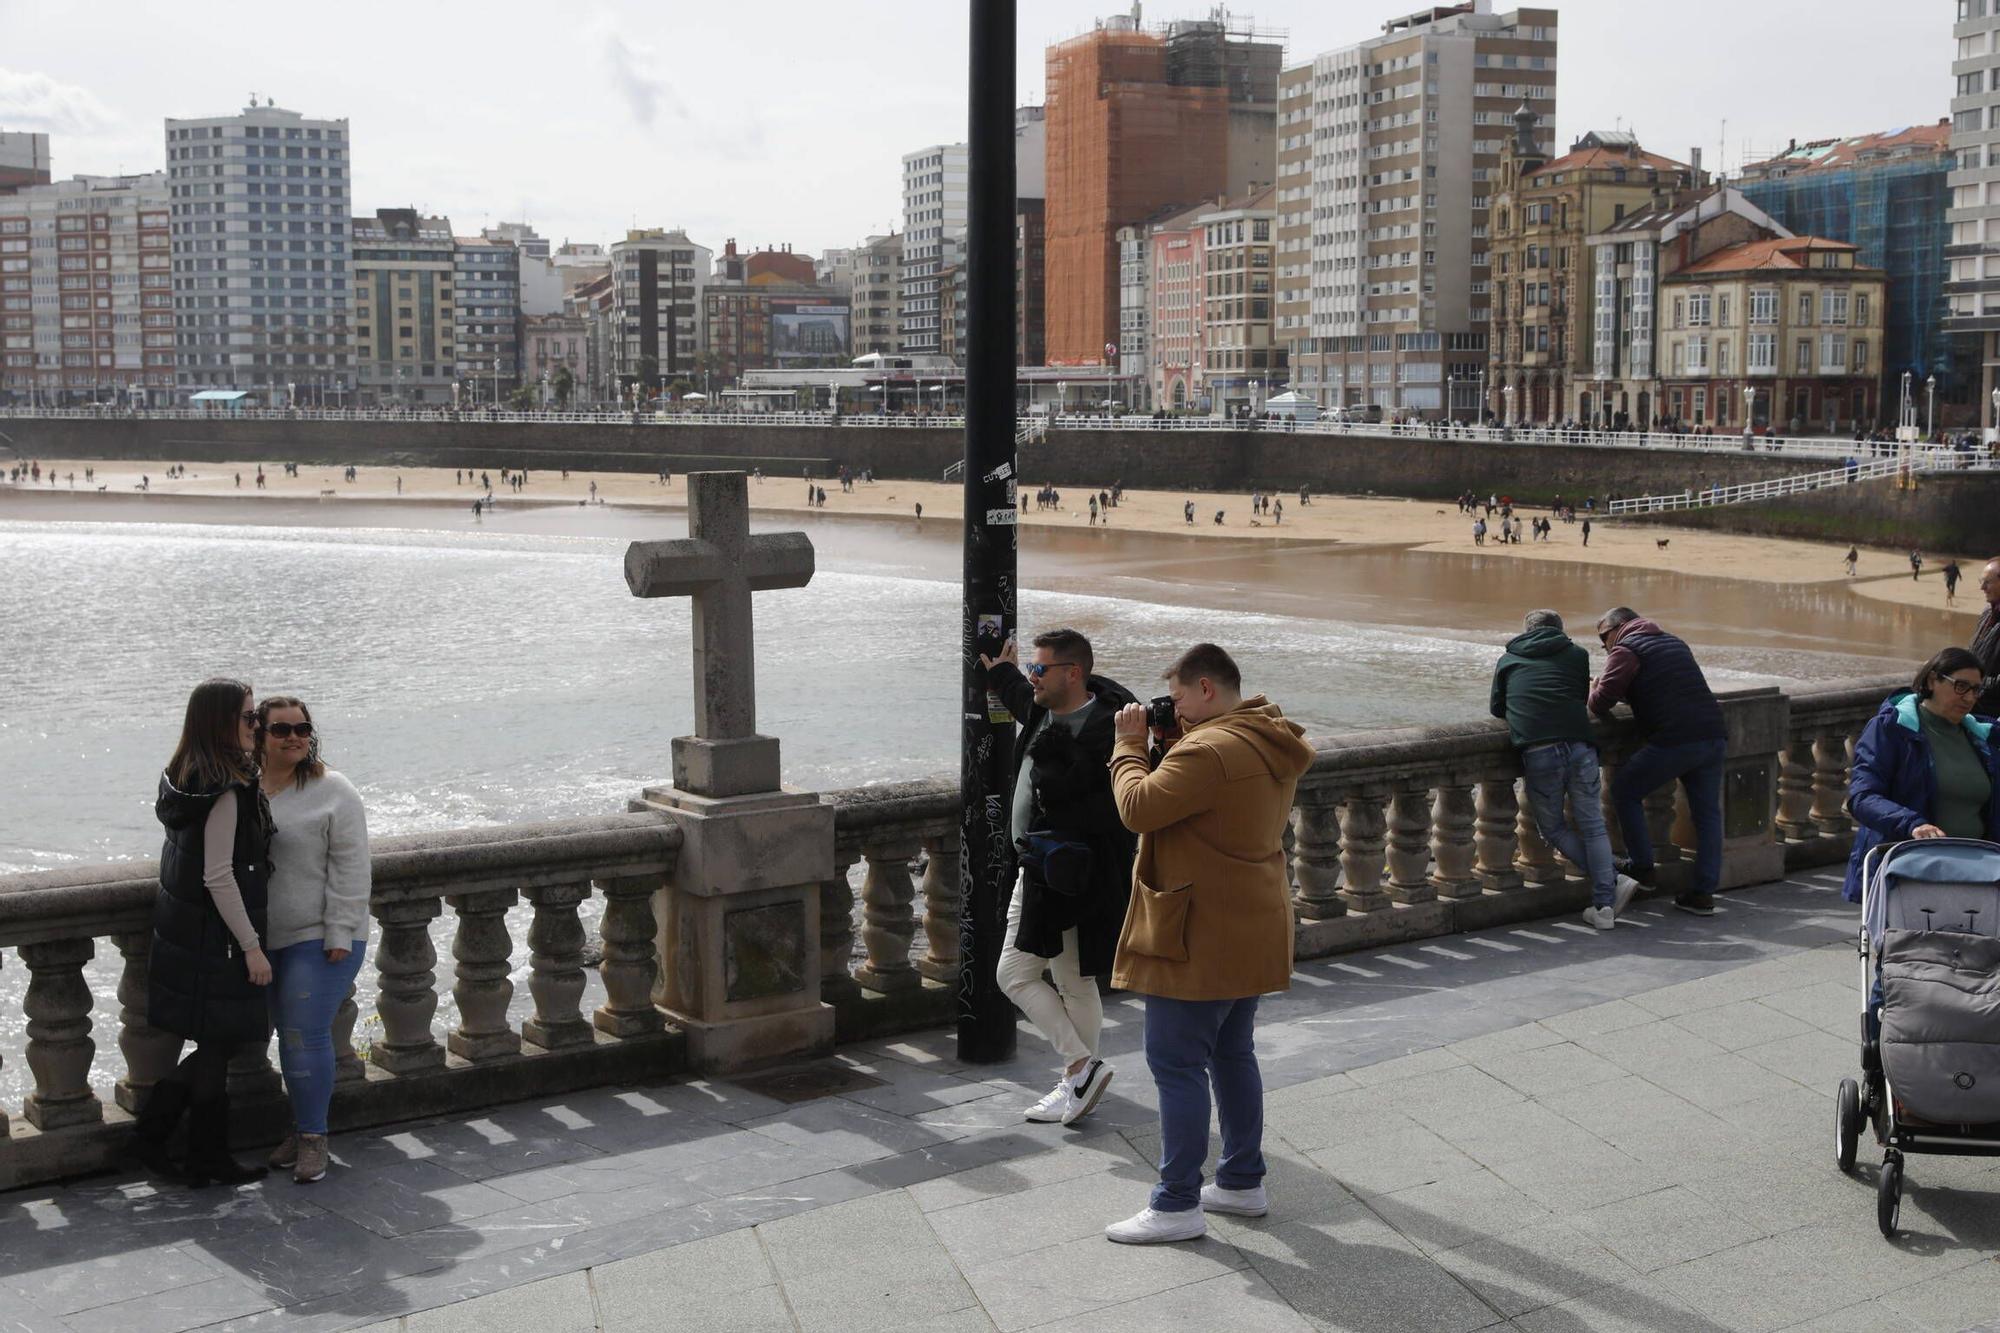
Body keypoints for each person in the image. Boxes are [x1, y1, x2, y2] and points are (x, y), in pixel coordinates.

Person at [1102, 644, 1314, 1244]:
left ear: (1204, 688)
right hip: (1253, 921)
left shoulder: (1210, 749)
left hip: (1200, 932)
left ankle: (1176, 1204)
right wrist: (1169, 743)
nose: (1177, 711)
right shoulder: (1268, 736)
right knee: (1231, 1053)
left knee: (1176, 1064)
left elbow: (1138, 808)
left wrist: (1129, 748)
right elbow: (1206, 808)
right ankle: (1243, 1180)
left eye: (1178, 698)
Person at [978, 630, 1137, 1126]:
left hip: (1069, 872)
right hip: (1045, 867)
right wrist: (1001, 673)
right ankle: (1080, 1085)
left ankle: (1079, 1066)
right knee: (1072, 979)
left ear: (1073, 673)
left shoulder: (1109, 731)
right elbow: (1025, 698)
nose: (1032, 677)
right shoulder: (1046, 709)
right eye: (1031, 668)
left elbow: (1117, 807)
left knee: (1013, 974)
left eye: (1040, 668)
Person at [132, 679, 274, 1187]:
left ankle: (200, 1154)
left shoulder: (183, 775)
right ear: (220, 723)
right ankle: (159, 1138)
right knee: (220, 1043)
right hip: (216, 939)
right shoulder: (224, 790)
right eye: (248, 718)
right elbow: (219, 875)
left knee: (217, 1044)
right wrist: (252, 947)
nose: (256, 726)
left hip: (185, 931)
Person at [257, 697, 371, 1185]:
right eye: (280, 729)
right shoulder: (243, 789)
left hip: (323, 936)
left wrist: (341, 929)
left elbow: (351, 865)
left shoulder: (333, 789)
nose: (294, 737)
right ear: (258, 734)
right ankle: (300, 1124)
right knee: (286, 1036)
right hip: (264, 940)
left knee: (305, 1033)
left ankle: (313, 1140)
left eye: (302, 728)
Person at [1491, 612, 1640, 929]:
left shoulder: (1509, 659)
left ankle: (1612, 883)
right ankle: (1604, 905)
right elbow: (1578, 695)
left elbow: (1496, 707)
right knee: (1594, 827)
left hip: (1539, 750)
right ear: (1560, 631)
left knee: (1553, 828)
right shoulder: (1577, 655)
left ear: (1526, 631)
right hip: (1581, 746)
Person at [1589, 608, 1728, 915]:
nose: (1604, 646)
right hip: (1714, 734)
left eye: (1603, 637)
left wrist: (1592, 688)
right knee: (1707, 816)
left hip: (1677, 738)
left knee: (1624, 791)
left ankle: (1642, 868)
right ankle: (1703, 892)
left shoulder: (1626, 649)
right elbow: (1664, 686)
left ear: (1619, 627)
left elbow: (1601, 703)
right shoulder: (1675, 642)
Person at [1842, 648, 1999, 904]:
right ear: (1931, 681)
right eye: (1960, 686)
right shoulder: (1892, 729)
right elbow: (1862, 796)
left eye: (1975, 689)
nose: (1969, 697)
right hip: (1908, 873)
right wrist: (1913, 825)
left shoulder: (1982, 737)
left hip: (1977, 873)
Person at [1973, 558, 2000, 717]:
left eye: (1987, 582)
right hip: (1975, 703)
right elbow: (1973, 653)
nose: (1982, 587)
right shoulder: (1987, 613)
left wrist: (1972, 684)